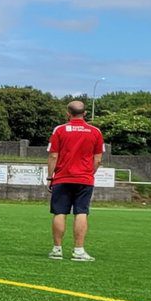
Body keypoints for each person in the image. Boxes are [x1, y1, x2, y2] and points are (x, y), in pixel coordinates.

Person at [47, 100, 103, 261]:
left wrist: (51, 176)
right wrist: (89, 173)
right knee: (81, 212)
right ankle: (78, 251)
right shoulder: (95, 131)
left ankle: (57, 250)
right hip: (84, 179)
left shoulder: (60, 130)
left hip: (62, 177)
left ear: (67, 113)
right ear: (85, 113)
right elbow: (98, 158)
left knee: (59, 212)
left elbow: (53, 155)